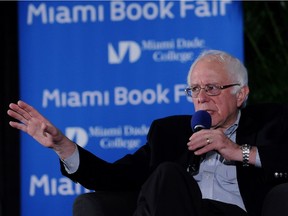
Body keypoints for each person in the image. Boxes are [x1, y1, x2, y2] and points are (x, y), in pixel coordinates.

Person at [7, 50, 288, 216]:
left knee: (166, 174)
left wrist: (237, 151)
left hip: (230, 213)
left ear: (241, 94)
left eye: (212, 88)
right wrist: (62, 145)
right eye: (195, 89)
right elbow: (114, 178)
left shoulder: (271, 121)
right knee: (165, 176)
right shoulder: (168, 132)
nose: (201, 98)